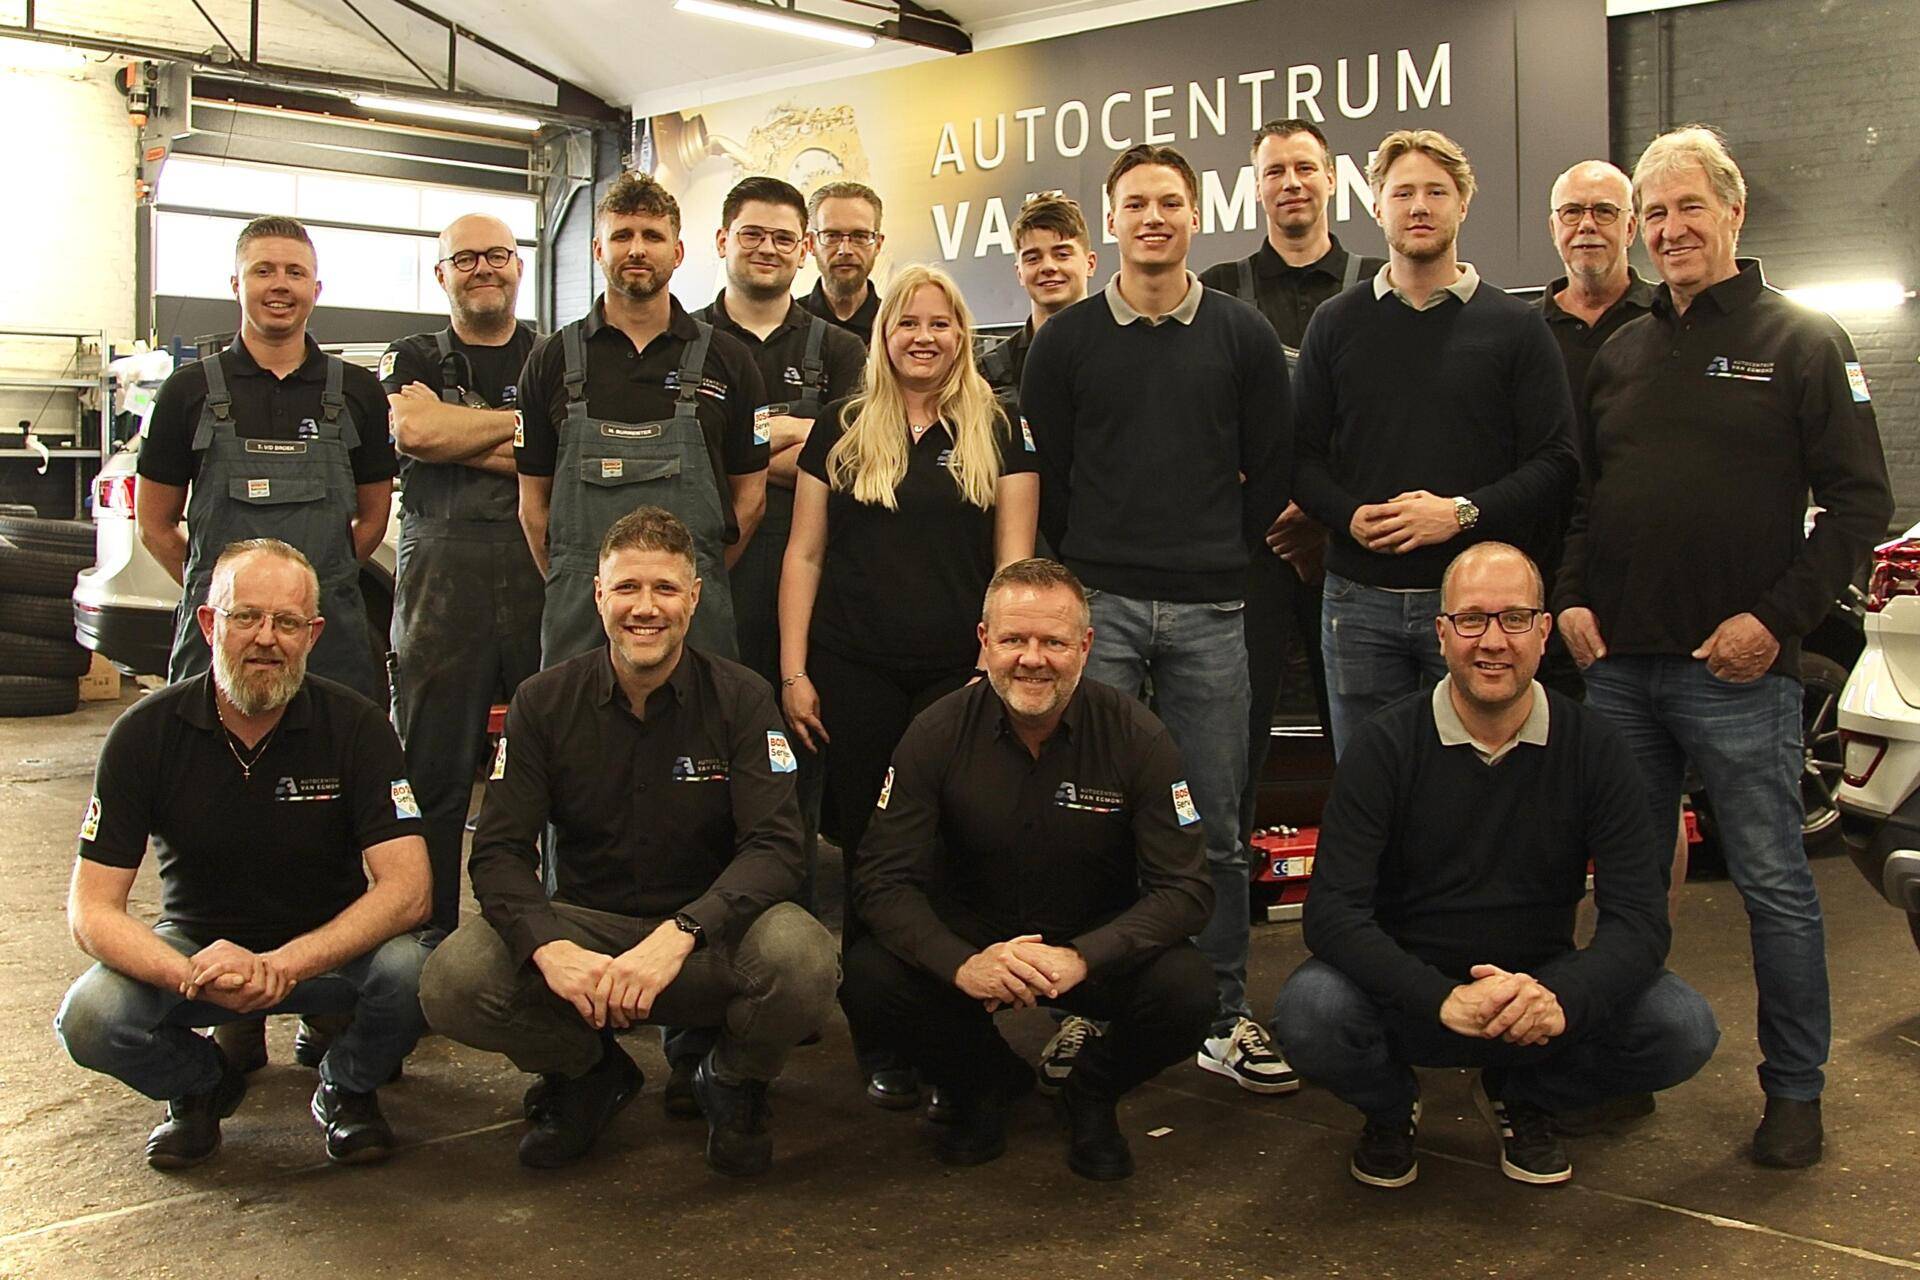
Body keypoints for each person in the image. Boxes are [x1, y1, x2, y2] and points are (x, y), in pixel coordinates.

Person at [1556, 126, 1893, 1169]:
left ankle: (1794, 1091)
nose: (1670, 229)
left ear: (1734, 213)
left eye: (1688, 207)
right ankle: (1627, 1068)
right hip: (1621, 671)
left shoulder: (1804, 338)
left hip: (1737, 673)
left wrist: (1774, 621)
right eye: (1655, 213)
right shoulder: (1623, 351)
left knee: (1776, 886)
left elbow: (1859, 504)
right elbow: (1587, 504)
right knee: (1627, 890)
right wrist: (1571, 599)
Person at [1273, 542, 1718, 1189]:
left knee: (1681, 1027)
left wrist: (1562, 997)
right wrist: (1440, 998)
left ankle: (1525, 1095)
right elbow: (1333, 914)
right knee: (1310, 1012)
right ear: (1441, 632)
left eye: (1514, 618)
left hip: (1538, 999)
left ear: (1544, 631)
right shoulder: (1384, 745)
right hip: (1410, 998)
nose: (1493, 641)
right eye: (1471, 619)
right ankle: (1391, 1109)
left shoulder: (1597, 749)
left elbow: (1640, 921)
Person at [419, 507, 839, 1177]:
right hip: (587, 935)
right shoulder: (541, 703)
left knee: (805, 960)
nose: (646, 608)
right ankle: (587, 1072)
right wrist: (550, 947)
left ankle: (730, 1079)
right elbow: (498, 852)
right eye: (627, 588)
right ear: (598, 595)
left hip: (708, 940)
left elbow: (778, 847)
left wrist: (682, 933)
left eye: (665, 588)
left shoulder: (743, 699)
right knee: (453, 980)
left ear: (694, 598)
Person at [1020, 142, 1293, 1095]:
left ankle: (1222, 1014)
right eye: (1136, 203)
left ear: (1195, 217)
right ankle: (1087, 1011)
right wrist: (1089, 570)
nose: (1154, 218)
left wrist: (1217, 552)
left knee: (1213, 825)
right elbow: (1050, 477)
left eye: (1170, 202)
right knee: (1083, 821)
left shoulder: (1242, 336)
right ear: (1112, 221)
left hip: (1213, 609)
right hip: (1098, 613)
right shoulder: (1066, 343)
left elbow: (1273, 468)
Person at [54, 539, 433, 1170]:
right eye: (246, 617)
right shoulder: (144, 735)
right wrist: (188, 973)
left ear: (313, 634)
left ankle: (347, 1084)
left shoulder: (358, 727)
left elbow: (409, 889)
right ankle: (200, 1084)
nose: (266, 638)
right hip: (195, 950)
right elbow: (91, 911)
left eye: (287, 622)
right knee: (91, 1019)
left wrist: (283, 964)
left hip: (325, 950)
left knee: (419, 973)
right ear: (209, 624)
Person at [842, 558, 1215, 1180]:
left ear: (1086, 646)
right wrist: (961, 964)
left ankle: (1091, 1091)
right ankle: (981, 1084)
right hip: (972, 937)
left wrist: (1085, 957)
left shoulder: (1138, 737)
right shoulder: (933, 733)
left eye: (1054, 642)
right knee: (868, 976)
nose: (1032, 660)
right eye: (1014, 639)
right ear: (985, 641)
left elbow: (1187, 889)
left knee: (1190, 989)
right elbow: (880, 880)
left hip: (1091, 940)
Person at [780, 263, 1038, 1111]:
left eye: (940, 322)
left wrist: (996, 670)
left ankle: (951, 1029)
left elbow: (1014, 565)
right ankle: (881, 1034)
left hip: (958, 679)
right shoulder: (840, 426)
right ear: (883, 335)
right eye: (907, 323)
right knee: (871, 855)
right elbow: (805, 555)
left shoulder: (1000, 427)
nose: (923, 337)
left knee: (949, 855)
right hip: (853, 675)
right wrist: (794, 671)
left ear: (963, 334)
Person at [1292, 128, 1577, 755]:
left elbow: (1557, 462)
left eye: (1436, 192)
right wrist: (1347, 516)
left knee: (1484, 780)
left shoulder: (1517, 328)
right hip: (1358, 605)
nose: (1419, 206)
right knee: (1370, 780)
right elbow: (1300, 458)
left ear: (1464, 204)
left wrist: (1460, 513)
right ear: (1376, 206)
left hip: (1481, 612)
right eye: (1403, 193)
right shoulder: (1335, 323)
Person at [1197, 118, 1387, 923]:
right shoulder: (1216, 290)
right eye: (1275, 170)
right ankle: (1222, 925)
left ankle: (1367, 911)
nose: (1291, 183)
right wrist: (1275, 508)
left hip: (1353, 546)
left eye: (1305, 168)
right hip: (1255, 545)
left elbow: (1389, 422)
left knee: (1366, 742)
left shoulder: (1379, 286)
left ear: (1332, 180)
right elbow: (1202, 420)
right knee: (1234, 739)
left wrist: (1322, 512)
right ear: (1257, 186)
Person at [136, 215, 392, 705]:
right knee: (206, 746)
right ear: (236, 285)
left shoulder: (359, 392)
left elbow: (374, 518)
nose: (280, 285)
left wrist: (319, 589)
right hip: (219, 639)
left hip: (327, 635)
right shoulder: (186, 392)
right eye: (263, 271)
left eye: (295, 272)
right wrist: (223, 598)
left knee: (336, 744)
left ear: (315, 288)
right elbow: (154, 525)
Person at [516, 172, 767, 667]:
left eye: (652, 236)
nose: (636, 249)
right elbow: (532, 506)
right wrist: (587, 585)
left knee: (701, 716)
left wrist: (690, 581)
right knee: (573, 716)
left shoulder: (729, 361)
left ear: (677, 251)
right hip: (581, 609)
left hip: (692, 612)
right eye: (621, 236)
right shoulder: (550, 361)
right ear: (597, 249)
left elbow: (751, 499)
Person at [380, 214, 543, 933]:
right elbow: (416, 431)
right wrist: (524, 427)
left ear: (518, 266)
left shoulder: (555, 354)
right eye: (466, 258)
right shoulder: (412, 354)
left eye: (497, 255)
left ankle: (556, 931)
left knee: (556, 762)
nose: (484, 268)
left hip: (539, 572)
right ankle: (428, 934)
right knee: (432, 773)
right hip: (440, 588)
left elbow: (565, 445)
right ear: (441, 272)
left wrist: (457, 432)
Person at [1531, 161, 1657, 702]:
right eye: (1572, 212)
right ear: (1553, 226)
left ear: (1630, 227)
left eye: (1604, 211)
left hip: (1636, 583)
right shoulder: (1520, 332)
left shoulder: (1669, 322)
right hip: (1537, 578)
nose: (1587, 225)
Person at [977, 192, 1098, 412]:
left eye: (1062, 254)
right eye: (1033, 258)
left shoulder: (1122, 351)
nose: (1048, 267)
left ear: (1090, 264)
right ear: (1019, 273)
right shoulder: (990, 374)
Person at [798, 181, 885, 342]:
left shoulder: (895, 324)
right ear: (810, 243)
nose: (845, 250)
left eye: (859, 236)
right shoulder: (784, 325)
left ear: (878, 245)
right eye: (832, 236)